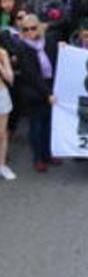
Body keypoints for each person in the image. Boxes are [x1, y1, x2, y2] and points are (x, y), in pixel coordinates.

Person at [15, 14, 58, 172]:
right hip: (33, 92)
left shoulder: (49, 41)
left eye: (33, 28)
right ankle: (38, 158)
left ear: (39, 27)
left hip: (49, 87)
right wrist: (48, 94)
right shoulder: (22, 48)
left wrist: (64, 47)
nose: (29, 32)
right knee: (36, 126)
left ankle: (48, 153)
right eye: (25, 29)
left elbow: (57, 59)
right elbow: (32, 75)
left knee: (48, 124)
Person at [0, 43, 14, 179]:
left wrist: (1, 67)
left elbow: (10, 79)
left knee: (2, 133)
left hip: (1, 94)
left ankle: (2, 165)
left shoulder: (2, 53)